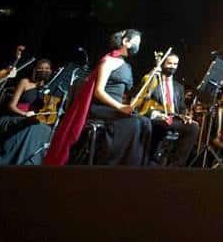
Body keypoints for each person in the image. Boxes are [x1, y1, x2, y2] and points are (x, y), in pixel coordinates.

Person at [43, 29, 151, 166]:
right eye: (136, 42)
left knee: (145, 122)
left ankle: (137, 166)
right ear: (125, 41)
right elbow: (98, 91)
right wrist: (120, 107)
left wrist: (149, 79)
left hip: (115, 108)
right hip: (100, 107)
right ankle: (112, 164)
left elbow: (128, 94)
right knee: (133, 123)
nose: (138, 45)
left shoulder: (127, 67)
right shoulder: (109, 61)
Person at [145, 54, 200, 166]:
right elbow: (144, 104)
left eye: (175, 64)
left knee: (194, 127)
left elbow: (181, 108)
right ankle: (153, 161)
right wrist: (156, 114)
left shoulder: (179, 87)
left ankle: (175, 165)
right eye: (169, 63)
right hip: (158, 117)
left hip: (173, 118)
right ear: (162, 64)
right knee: (164, 124)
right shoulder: (153, 82)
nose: (172, 66)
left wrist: (185, 116)